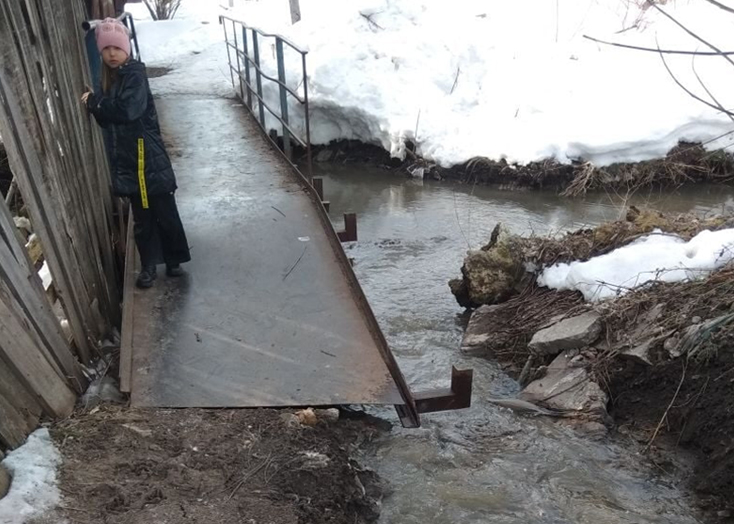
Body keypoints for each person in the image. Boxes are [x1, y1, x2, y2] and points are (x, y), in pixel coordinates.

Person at [82, 18, 190, 289]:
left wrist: (96, 102)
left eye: (116, 48)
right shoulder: (110, 82)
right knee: (142, 217)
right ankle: (149, 266)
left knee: (164, 211)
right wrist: (98, 107)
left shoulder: (135, 75)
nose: (111, 54)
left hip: (149, 157)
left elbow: (128, 110)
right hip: (131, 163)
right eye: (106, 49)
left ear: (126, 49)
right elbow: (109, 121)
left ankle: (174, 259)